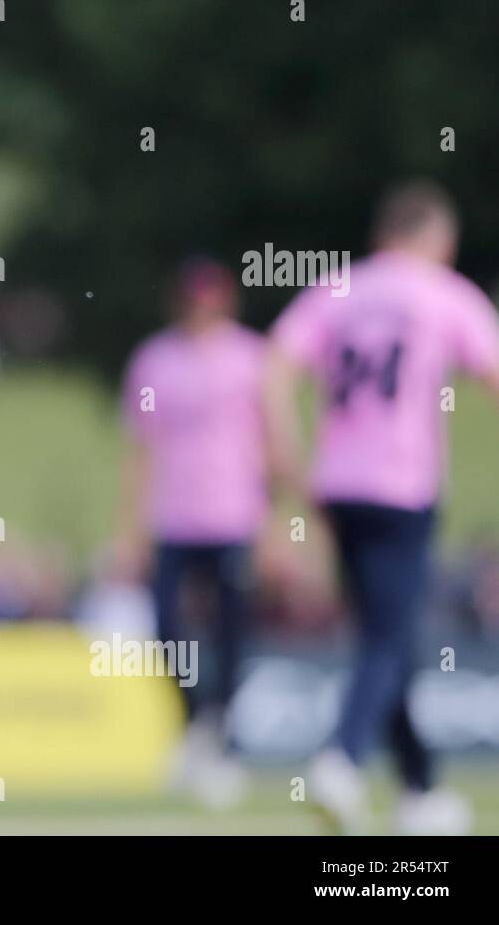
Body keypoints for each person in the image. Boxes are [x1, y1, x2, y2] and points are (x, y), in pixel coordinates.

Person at [264, 179, 499, 834]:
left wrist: (287, 455)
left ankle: (420, 790)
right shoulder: (443, 293)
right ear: (437, 237)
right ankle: (340, 758)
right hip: (404, 487)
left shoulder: (340, 289)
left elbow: (276, 368)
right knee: (389, 637)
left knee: (389, 635)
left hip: (338, 484)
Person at [116, 257, 268, 809]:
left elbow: (270, 442)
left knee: (233, 635)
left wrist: (279, 527)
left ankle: (222, 740)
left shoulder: (251, 357)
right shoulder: (156, 359)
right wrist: (128, 531)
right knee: (166, 627)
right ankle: (196, 722)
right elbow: (140, 449)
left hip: (235, 516)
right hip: (173, 516)